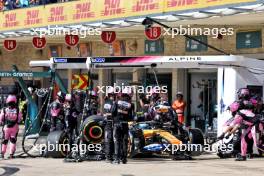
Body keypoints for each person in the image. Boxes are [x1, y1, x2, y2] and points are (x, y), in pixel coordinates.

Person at [113, 87, 133, 164]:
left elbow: (112, 112)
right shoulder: (130, 104)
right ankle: (124, 159)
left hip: (117, 123)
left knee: (117, 141)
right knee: (125, 141)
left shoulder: (117, 102)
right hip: (125, 124)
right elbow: (131, 116)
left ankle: (117, 159)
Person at [0, 95, 22, 159]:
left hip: (6, 127)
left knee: (5, 140)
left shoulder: (4, 109)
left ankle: (2, 153)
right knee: (13, 140)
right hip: (14, 127)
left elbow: (1, 118)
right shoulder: (17, 110)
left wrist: (1, 122)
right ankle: (11, 154)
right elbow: (19, 119)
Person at [103, 87, 117, 162]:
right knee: (108, 139)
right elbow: (108, 113)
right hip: (108, 122)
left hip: (113, 122)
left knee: (114, 139)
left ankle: (112, 155)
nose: (113, 95)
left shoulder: (113, 102)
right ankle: (108, 156)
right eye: (112, 94)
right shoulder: (108, 102)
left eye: (114, 94)